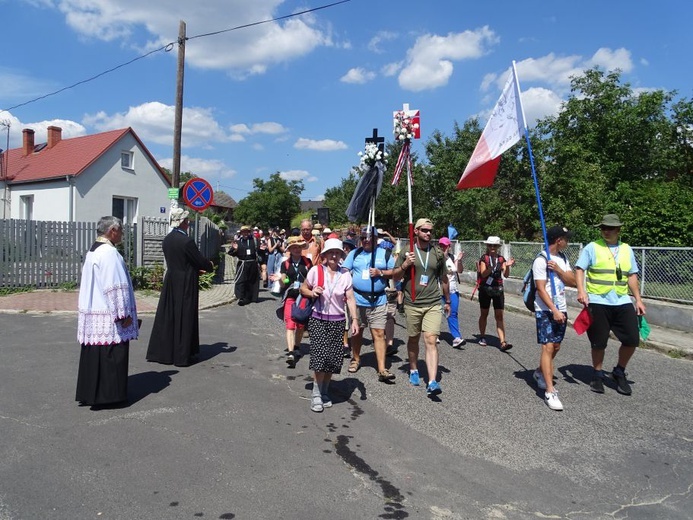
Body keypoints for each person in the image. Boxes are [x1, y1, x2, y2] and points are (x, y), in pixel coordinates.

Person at [575, 214, 646, 396]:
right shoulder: (592, 247)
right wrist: (581, 291)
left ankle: (619, 371)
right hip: (598, 301)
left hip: (622, 301)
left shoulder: (626, 249)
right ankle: (597, 374)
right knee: (599, 342)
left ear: (618, 230)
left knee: (632, 339)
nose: (606, 231)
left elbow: (632, 275)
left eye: (610, 228)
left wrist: (637, 299)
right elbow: (580, 269)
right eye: (603, 228)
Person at [76, 216, 138, 407]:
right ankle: (109, 396)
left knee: (95, 355)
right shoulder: (109, 253)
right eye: (120, 231)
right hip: (108, 314)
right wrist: (123, 315)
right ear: (112, 231)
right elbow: (115, 286)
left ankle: (91, 393)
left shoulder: (93, 250)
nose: (122, 234)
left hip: (95, 308)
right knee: (111, 354)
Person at [146, 208, 214, 367]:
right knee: (185, 316)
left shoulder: (168, 239)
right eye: (186, 220)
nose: (188, 222)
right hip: (185, 281)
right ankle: (182, 356)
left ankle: (164, 352)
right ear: (182, 222)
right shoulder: (186, 241)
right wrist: (208, 266)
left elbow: (180, 259)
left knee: (169, 316)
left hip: (171, 279)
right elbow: (198, 260)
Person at [392, 218, 450, 396]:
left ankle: (432, 381)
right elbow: (395, 276)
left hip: (433, 302)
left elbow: (444, 279)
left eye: (430, 230)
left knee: (431, 340)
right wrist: (405, 265)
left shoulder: (437, 253)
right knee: (413, 339)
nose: (428, 233)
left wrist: (447, 301)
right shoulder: (407, 252)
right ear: (416, 231)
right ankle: (414, 368)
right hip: (412, 303)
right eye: (424, 230)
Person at [300, 238, 359, 412]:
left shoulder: (345, 275)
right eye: (331, 252)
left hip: (338, 321)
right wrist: (312, 292)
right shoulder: (316, 271)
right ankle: (316, 394)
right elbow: (303, 289)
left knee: (332, 360)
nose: (334, 255)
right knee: (320, 359)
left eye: (337, 252)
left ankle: (325, 391)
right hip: (318, 319)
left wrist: (355, 319)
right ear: (325, 255)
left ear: (341, 255)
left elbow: (350, 298)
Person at [531, 226, 577, 411]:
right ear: (559, 240)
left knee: (556, 346)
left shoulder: (562, 259)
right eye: (566, 238)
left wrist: (558, 269)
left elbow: (572, 281)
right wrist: (553, 310)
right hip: (545, 310)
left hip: (562, 308)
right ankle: (550, 391)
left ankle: (539, 371)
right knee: (548, 346)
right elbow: (540, 289)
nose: (568, 242)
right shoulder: (541, 260)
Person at [342, 227, 396, 383]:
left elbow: (395, 272)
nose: (366, 240)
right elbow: (344, 270)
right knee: (357, 332)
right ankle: (356, 359)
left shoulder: (385, 254)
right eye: (363, 237)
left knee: (379, 334)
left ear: (376, 238)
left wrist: (381, 273)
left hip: (378, 300)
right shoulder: (355, 254)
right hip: (357, 301)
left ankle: (382, 368)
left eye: (369, 237)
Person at [272, 236, 311, 368]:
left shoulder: (307, 262)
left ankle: (297, 347)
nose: (297, 249)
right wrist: (280, 279)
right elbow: (284, 282)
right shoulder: (285, 264)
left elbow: (312, 278)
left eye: (299, 247)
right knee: (290, 324)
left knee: (300, 325)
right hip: (290, 296)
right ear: (290, 250)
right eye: (294, 247)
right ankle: (291, 353)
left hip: (304, 297)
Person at [476, 236, 515, 350]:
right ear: (487, 246)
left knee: (499, 316)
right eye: (490, 245)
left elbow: (506, 275)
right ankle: (482, 336)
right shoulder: (484, 258)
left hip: (498, 289)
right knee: (484, 314)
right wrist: (491, 268)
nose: (492, 247)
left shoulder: (501, 259)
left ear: (498, 247)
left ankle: (503, 342)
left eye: (495, 246)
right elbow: (483, 274)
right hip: (485, 290)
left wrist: (507, 267)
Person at [438, 237, 466, 348]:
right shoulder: (436, 258)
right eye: (441, 245)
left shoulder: (452, 257)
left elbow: (459, 270)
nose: (443, 247)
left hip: (453, 290)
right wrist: (443, 257)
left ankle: (456, 338)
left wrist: (458, 260)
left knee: (452, 313)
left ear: (449, 247)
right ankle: (434, 333)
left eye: (445, 246)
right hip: (439, 290)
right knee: (437, 313)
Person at [229, 224, 260, 305]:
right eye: (243, 232)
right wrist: (235, 249)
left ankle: (252, 297)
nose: (245, 234)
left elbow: (259, 250)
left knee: (252, 281)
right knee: (241, 281)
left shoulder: (254, 240)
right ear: (241, 233)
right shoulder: (238, 242)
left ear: (249, 232)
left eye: (247, 232)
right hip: (242, 264)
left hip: (252, 263)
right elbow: (230, 253)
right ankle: (241, 297)